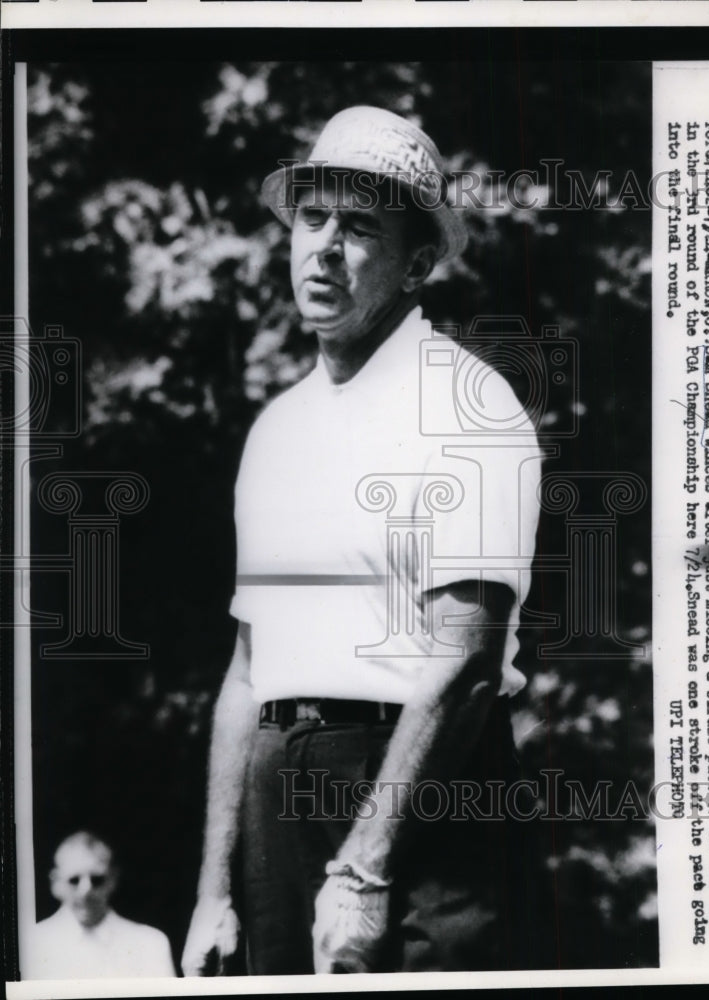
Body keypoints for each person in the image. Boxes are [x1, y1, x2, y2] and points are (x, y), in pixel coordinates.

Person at [182, 106, 544, 976]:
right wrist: (212, 896)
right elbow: (245, 673)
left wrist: (364, 869)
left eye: (359, 226)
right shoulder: (275, 429)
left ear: (417, 263)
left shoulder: (467, 405)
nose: (325, 247)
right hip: (275, 795)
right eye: (313, 218)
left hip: (417, 799)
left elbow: (465, 662)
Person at [25, 831, 176, 979]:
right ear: (56, 883)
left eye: (97, 879)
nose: (86, 891)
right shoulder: (32, 943)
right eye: (74, 880)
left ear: (113, 879)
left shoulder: (150, 943)